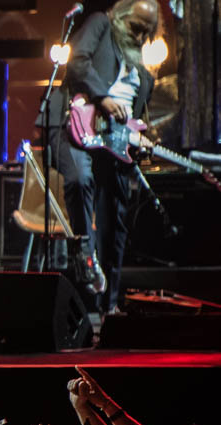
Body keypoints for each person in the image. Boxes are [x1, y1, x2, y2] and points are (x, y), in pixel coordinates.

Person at [43, 0, 158, 314]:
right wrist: (103, 98)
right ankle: (86, 259)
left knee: (115, 219)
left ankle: (108, 307)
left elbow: (137, 116)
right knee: (81, 179)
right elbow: (77, 62)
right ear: (121, 16)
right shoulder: (100, 24)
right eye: (136, 26)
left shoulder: (143, 74)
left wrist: (141, 139)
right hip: (75, 125)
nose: (141, 35)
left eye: (147, 31)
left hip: (114, 142)